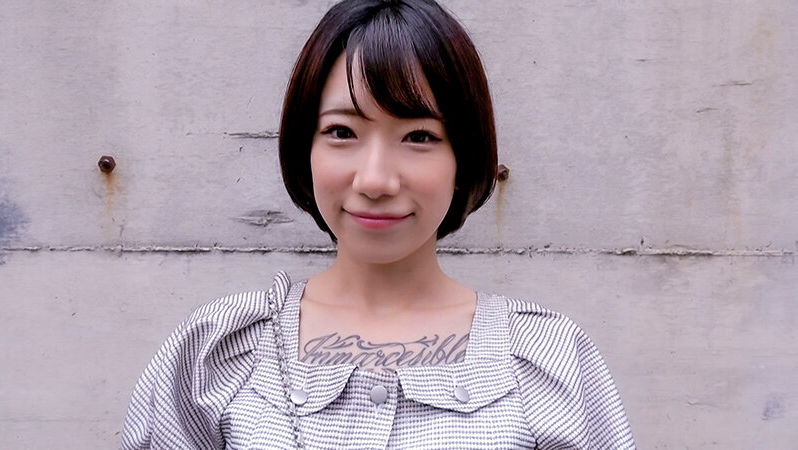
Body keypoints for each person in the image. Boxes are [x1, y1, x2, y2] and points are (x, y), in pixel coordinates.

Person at [121, 0, 635, 448]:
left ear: (464, 157)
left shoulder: (549, 361)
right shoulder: (215, 353)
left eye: (419, 137)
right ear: (305, 147)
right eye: (342, 132)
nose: (375, 180)